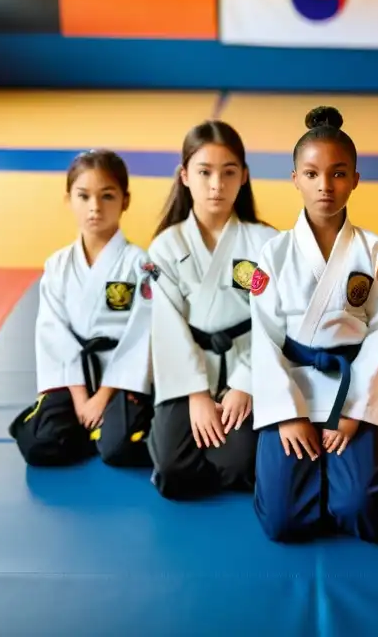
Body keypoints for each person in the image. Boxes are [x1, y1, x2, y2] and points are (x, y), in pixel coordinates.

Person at [249, 106, 378, 543]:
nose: (325, 186)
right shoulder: (274, 253)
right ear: (294, 178)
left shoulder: (375, 251)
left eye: (338, 174)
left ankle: (351, 480)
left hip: (351, 385)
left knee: (362, 514)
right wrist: (286, 415)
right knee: (283, 523)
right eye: (312, 174)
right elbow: (264, 337)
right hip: (291, 385)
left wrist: (352, 412)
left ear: (355, 178)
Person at [146, 120, 276, 498]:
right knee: (172, 472)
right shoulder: (165, 247)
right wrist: (197, 394)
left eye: (228, 172)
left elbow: (275, 320)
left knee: (239, 463)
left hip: (245, 367)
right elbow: (166, 328)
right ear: (185, 176)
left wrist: (245, 384)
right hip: (189, 373)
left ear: (244, 177)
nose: (216, 185)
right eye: (204, 172)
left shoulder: (266, 243)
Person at [9, 149, 155, 468]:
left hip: (119, 379)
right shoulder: (58, 265)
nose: (95, 207)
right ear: (68, 200)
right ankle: (93, 430)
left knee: (118, 450)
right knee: (38, 445)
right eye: (83, 196)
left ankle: (113, 429)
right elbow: (53, 333)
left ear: (125, 200)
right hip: (74, 374)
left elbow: (141, 337)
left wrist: (102, 397)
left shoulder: (140, 264)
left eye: (106, 196)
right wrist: (80, 399)